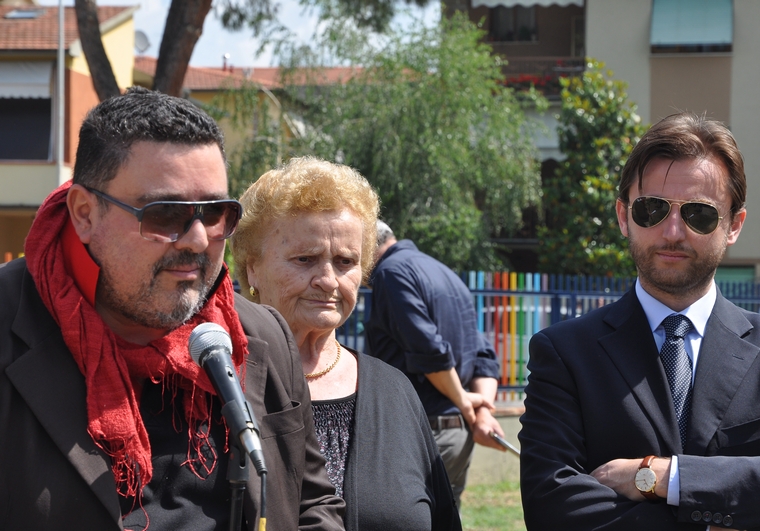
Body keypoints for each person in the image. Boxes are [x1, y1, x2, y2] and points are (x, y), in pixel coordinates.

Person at [0, 88, 345, 531]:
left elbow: (311, 503)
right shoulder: (13, 321)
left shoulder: (260, 334)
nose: (198, 240)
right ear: (85, 213)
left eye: (215, 214)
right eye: (164, 214)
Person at [519, 112, 760, 530]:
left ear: (734, 225)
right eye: (651, 209)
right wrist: (731, 511)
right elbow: (551, 506)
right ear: (623, 216)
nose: (672, 232)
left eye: (699, 214)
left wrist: (661, 477)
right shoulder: (564, 353)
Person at [230, 156, 461, 531]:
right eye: (305, 259)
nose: (328, 280)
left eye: (345, 261)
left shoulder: (395, 392)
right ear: (252, 267)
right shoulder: (219, 385)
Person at [364, 222, 506, 507]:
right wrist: (482, 410)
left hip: (424, 434)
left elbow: (429, 350)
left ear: (364, 245)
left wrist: (464, 401)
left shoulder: (391, 273)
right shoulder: (444, 272)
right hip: (456, 435)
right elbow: (482, 354)